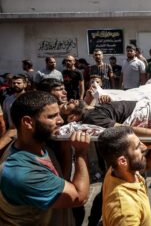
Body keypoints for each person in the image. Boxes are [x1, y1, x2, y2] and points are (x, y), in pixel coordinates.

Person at [0, 91, 90, 225]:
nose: (60, 120)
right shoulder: (20, 172)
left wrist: (65, 148)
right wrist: (80, 153)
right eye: (52, 116)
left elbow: (61, 181)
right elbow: (79, 197)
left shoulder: (40, 147)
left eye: (59, 114)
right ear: (28, 122)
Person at [97, 126, 151, 226]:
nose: (143, 148)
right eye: (137, 147)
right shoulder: (125, 212)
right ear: (122, 161)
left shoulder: (116, 169)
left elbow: (143, 166)